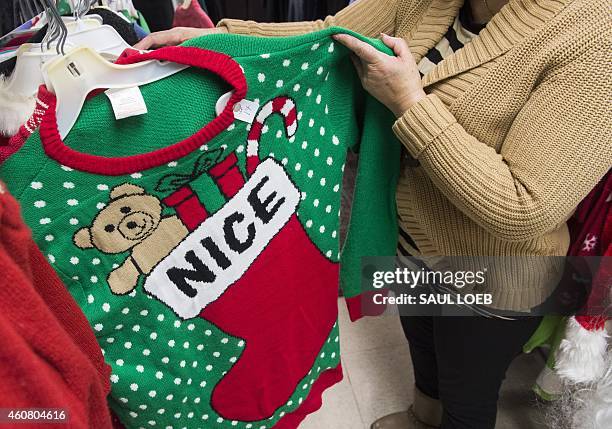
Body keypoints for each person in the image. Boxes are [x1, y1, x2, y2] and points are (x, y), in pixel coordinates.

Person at [134, 1, 612, 428]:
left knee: (467, 394)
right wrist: (214, 38)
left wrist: (408, 101)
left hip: (497, 271)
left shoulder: (593, 34)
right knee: (422, 345)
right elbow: (328, 33)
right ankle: (421, 415)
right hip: (406, 235)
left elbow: (525, 205)